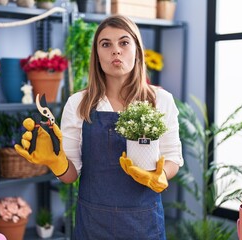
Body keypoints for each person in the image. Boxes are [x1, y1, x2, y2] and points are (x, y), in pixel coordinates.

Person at [15, 14, 183, 240]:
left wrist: (160, 175)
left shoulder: (160, 100)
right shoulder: (78, 104)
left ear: (137, 50)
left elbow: (173, 157)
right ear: (97, 55)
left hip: (144, 223)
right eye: (106, 44)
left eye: (124, 42)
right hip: (93, 224)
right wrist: (56, 162)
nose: (116, 50)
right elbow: (70, 174)